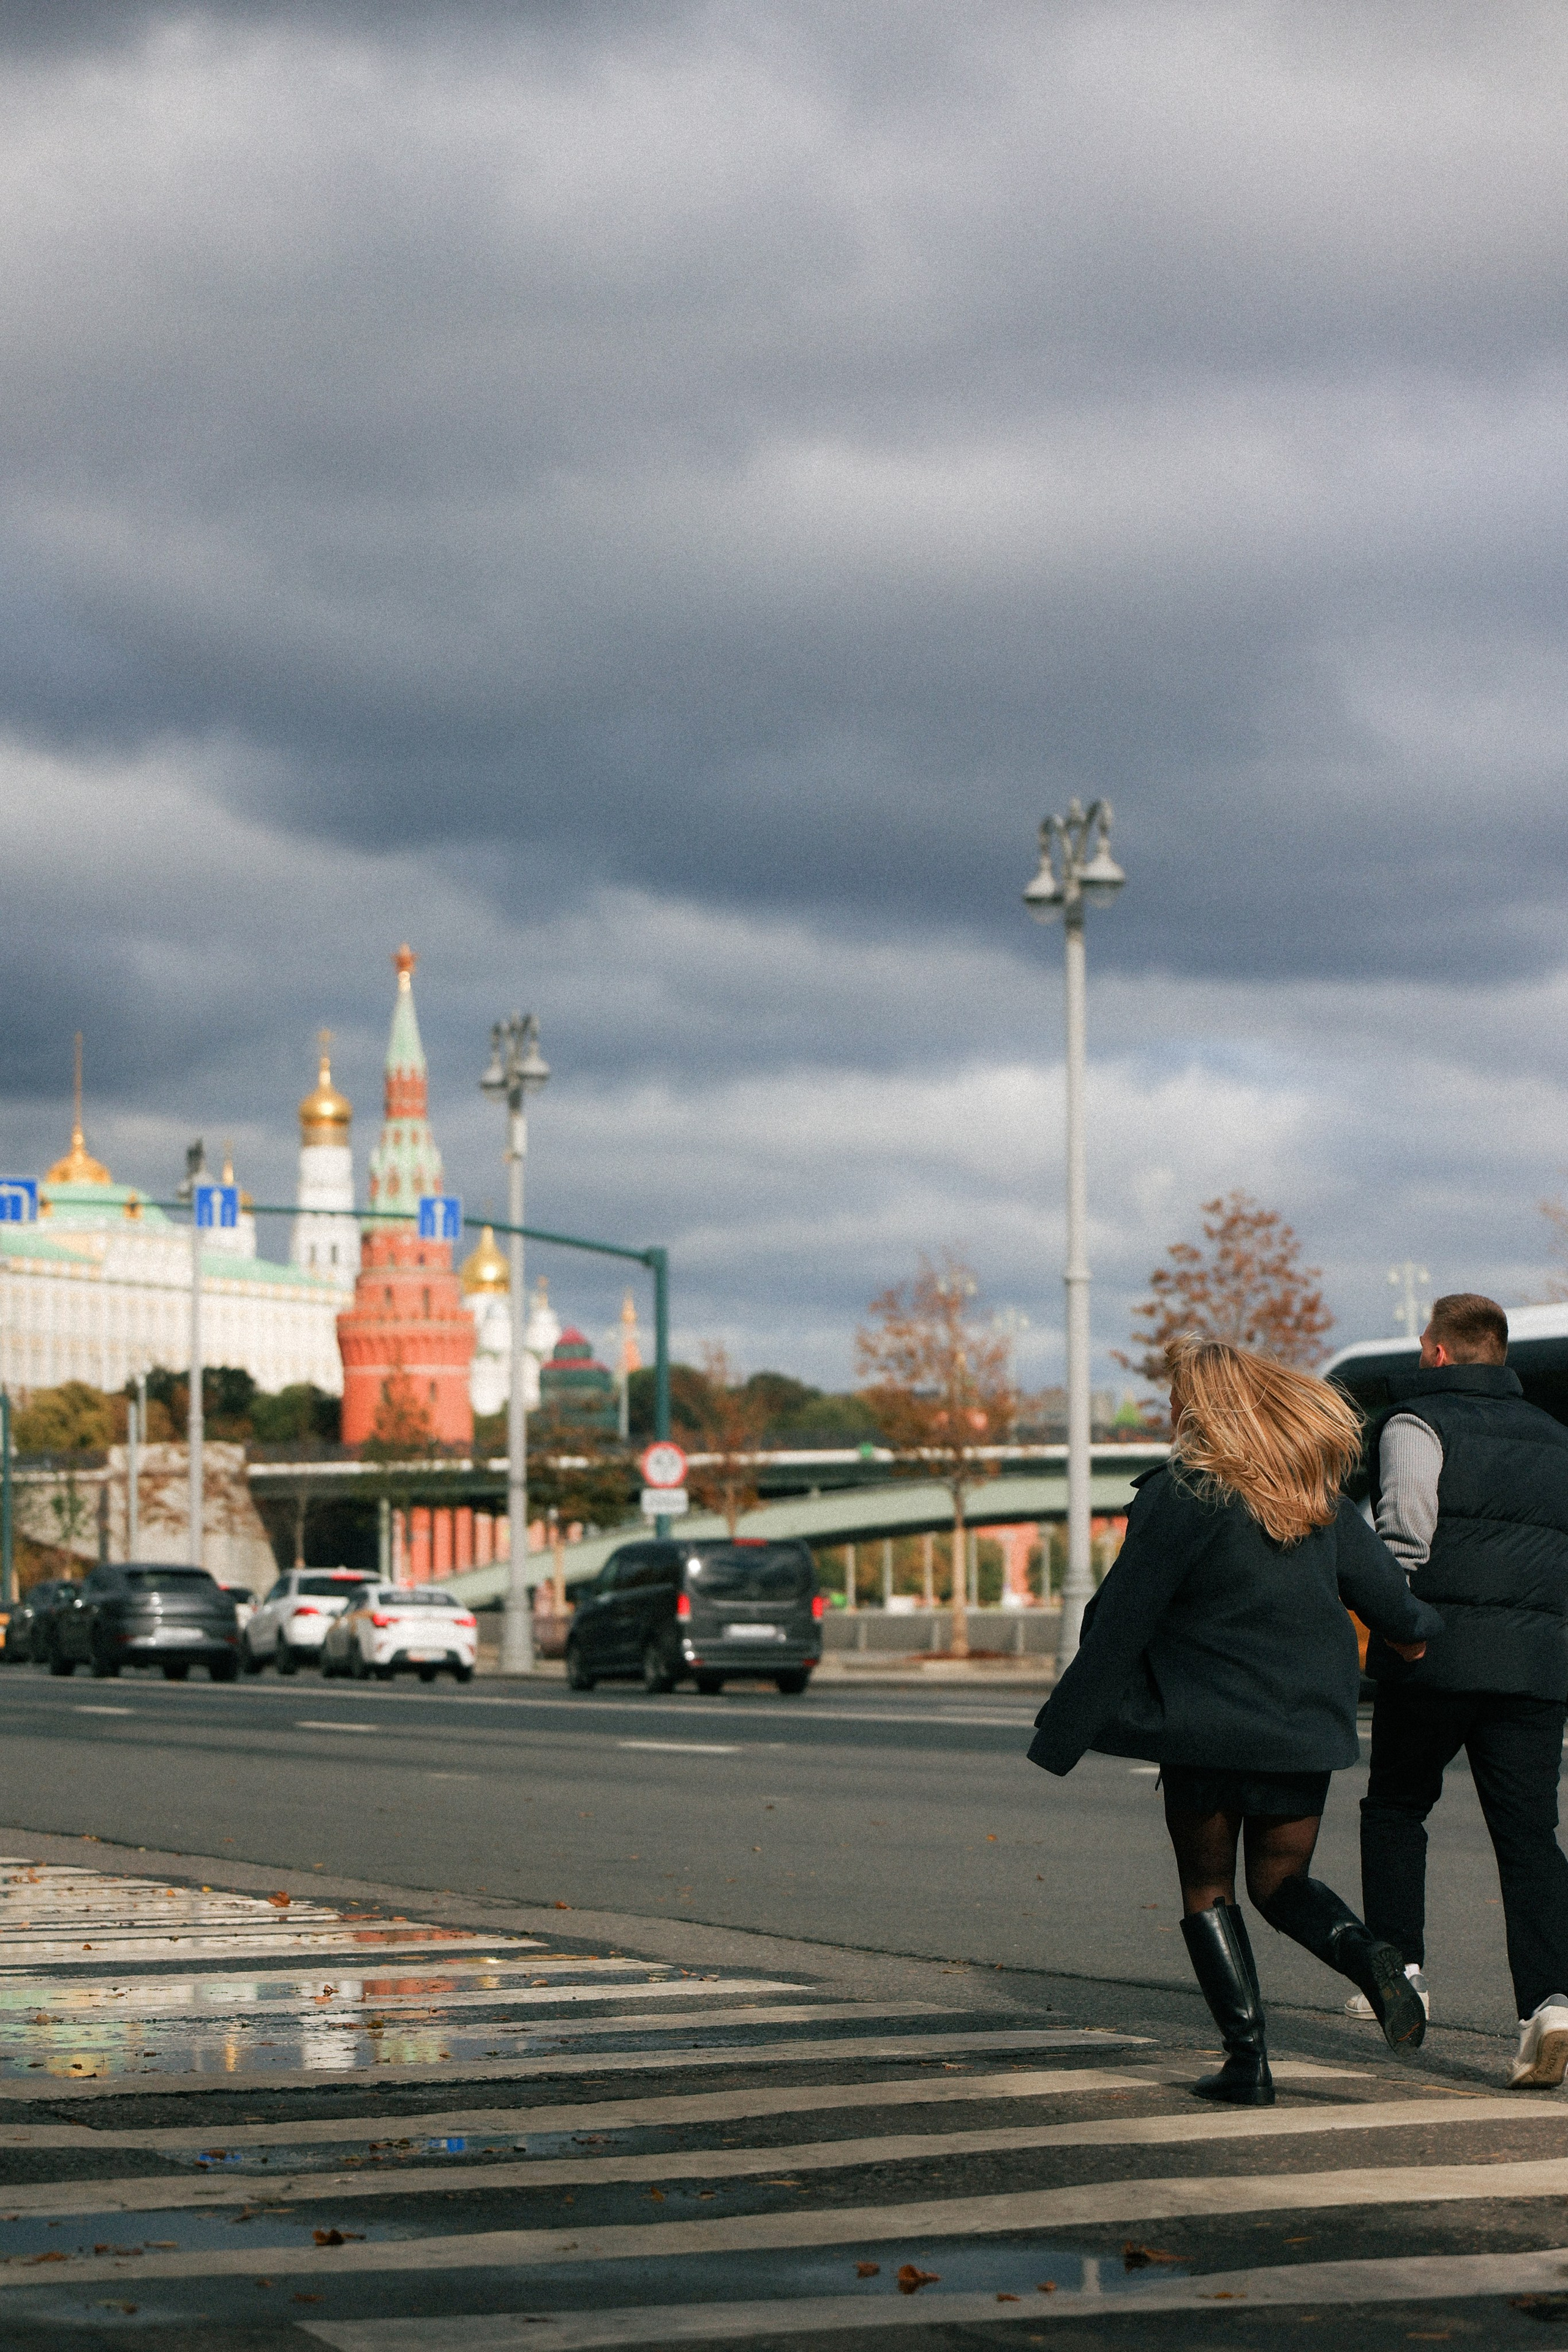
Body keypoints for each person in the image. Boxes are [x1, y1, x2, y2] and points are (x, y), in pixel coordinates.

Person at [1028, 1340, 1442, 2106]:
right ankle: (1370, 1955)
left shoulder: (1183, 1494)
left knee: (1208, 1886)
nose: (1171, 1410)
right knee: (1283, 1883)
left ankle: (1246, 2062)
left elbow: (1122, 1614)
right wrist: (1419, 1632)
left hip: (1206, 1725)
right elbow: (1387, 1600)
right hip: (1300, 1725)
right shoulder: (1312, 1496)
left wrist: (1074, 1714)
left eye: (1178, 1397)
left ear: (1202, 1407)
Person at [1357, 1292, 1568, 2088]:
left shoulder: (1416, 1422)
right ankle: (1549, 2002)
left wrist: (1394, 1619)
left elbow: (1404, 1534)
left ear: (1441, 1352)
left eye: (1422, 1346)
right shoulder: (1557, 1440)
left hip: (1433, 1655)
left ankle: (1399, 1972)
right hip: (1536, 1668)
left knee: (1397, 1807)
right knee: (1529, 1838)